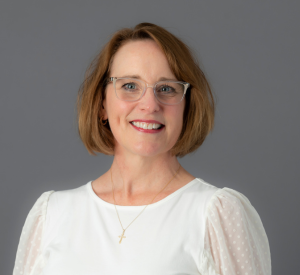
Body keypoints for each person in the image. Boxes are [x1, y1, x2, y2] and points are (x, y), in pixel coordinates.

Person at [12, 22, 271, 275]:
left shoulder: (216, 215)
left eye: (167, 88)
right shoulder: (51, 216)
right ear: (102, 104)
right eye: (129, 86)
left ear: (187, 106)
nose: (150, 104)